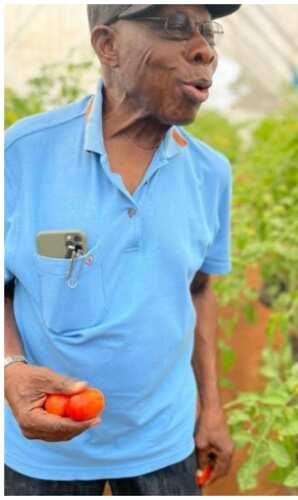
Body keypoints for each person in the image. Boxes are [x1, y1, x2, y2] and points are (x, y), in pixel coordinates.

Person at [4, 5, 239, 494]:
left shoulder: (210, 174)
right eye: (174, 26)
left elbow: (198, 291)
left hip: (164, 442)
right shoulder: (21, 155)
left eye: (207, 30)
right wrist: (10, 368)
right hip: (46, 453)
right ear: (107, 45)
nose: (204, 49)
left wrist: (212, 407)